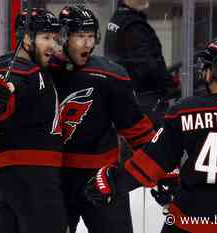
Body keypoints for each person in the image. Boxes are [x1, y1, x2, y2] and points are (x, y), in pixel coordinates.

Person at [86, 39, 217, 233]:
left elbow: (153, 160)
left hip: (193, 214)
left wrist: (115, 183)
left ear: (210, 72)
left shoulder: (185, 110)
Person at [49, 5, 156, 233]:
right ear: (64, 37)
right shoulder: (43, 74)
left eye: (91, 37)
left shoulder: (111, 75)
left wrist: (160, 167)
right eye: (80, 36)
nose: (87, 44)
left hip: (100, 177)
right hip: (56, 178)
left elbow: (138, 130)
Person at [0, 8, 68, 233]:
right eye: (46, 38)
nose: (53, 46)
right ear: (26, 39)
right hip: (32, 178)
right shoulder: (20, 69)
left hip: (8, 179)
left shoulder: (29, 67)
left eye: (55, 39)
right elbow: (7, 89)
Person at [104, 0, 179, 128]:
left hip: (128, 95)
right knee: (151, 143)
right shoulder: (134, 26)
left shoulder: (118, 19)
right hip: (143, 99)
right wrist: (169, 84)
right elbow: (147, 66)